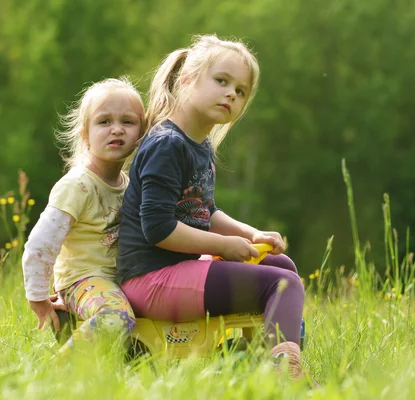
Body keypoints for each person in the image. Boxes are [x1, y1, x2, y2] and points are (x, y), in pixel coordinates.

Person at [117, 35, 306, 379]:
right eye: (222, 81)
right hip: (150, 280)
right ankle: (285, 375)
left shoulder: (198, 146)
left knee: (282, 265)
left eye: (241, 90)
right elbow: (158, 229)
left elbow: (206, 212)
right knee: (282, 285)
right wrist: (222, 246)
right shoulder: (167, 144)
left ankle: (265, 360)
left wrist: (251, 234)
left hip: (177, 272)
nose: (232, 93)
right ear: (186, 80)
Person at [22, 77, 144, 354]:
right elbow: (40, 244)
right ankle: (61, 371)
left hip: (119, 279)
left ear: (142, 133)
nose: (116, 129)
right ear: (85, 134)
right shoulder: (78, 185)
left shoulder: (130, 184)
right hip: (82, 279)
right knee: (116, 318)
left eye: (127, 122)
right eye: (104, 122)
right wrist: (38, 298)